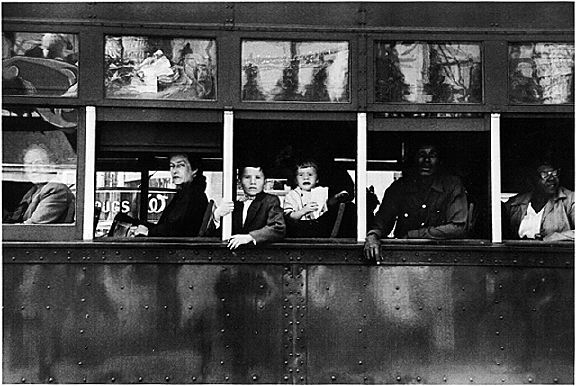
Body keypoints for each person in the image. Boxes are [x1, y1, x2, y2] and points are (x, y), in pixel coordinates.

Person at [364, 143, 468, 261]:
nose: (426, 160)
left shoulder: (452, 186)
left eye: (432, 155)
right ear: (413, 159)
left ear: (439, 161)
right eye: (421, 155)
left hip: (442, 258)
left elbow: (457, 227)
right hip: (404, 258)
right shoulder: (399, 187)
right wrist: (372, 236)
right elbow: (382, 222)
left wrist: (413, 235)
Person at [209, 162, 285, 249]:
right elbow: (213, 236)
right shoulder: (235, 204)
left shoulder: (271, 201)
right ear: (240, 181)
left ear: (265, 181)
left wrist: (250, 237)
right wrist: (217, 216)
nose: (252, 182)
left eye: (258, 178)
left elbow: (278, 228)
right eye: (247, 177)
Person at [131, 153, 208, 237]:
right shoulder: (185, 193)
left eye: (180, 165)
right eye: (172, 166)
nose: (174, 171)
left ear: (194, 169)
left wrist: (149, 232)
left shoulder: (193, 195)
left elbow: (177, 229)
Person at [503, 161, 574, 242]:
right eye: (544, 174)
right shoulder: (515, 204)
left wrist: (553, 238)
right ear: (532, 179)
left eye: (554, 173)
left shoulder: (570, 200)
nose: (551, 178)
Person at [4, 144, 75, 224]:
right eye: (29, 165)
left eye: (39, 164)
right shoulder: (33, 191)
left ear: (52, 166)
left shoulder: (56, 189)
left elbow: (32, 226)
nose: (33, 169)